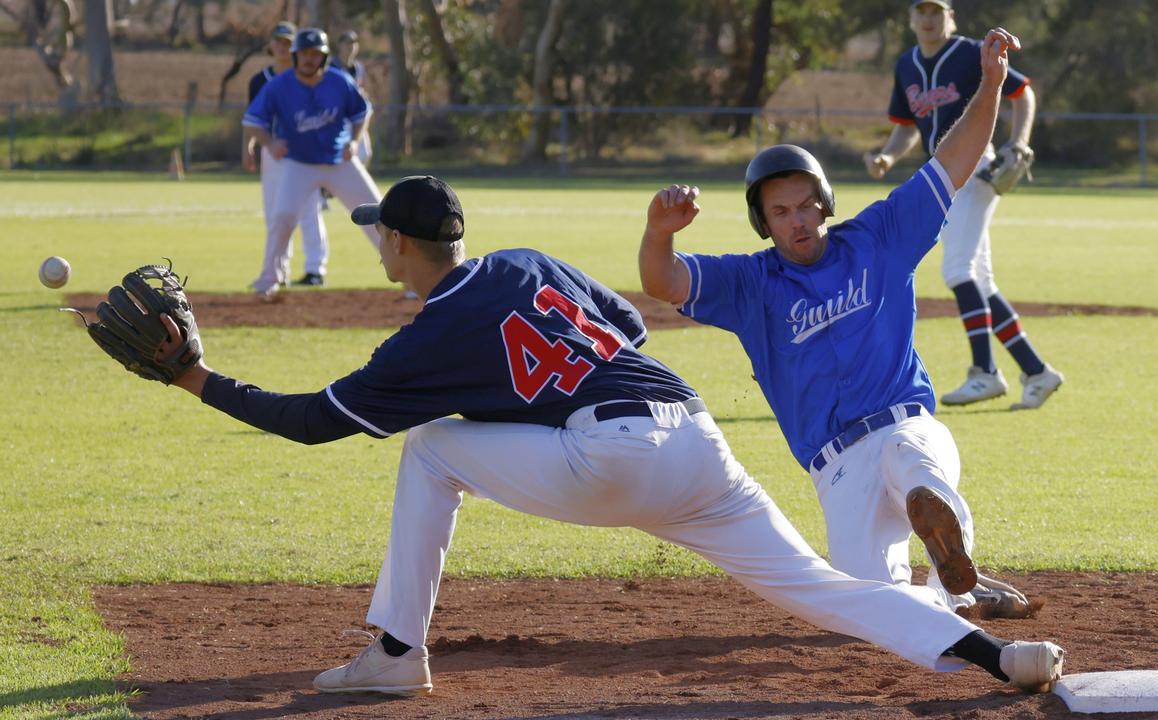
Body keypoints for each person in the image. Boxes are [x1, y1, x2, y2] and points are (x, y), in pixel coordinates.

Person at [134, 174, 1063, 697]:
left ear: (401, 249)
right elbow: (629, 319)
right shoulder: (523, 263)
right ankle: (996, 658)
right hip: (694, 437)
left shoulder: (425, 343)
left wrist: (191, 377)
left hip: (606, 457)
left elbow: (308, 424)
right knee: (821, 589)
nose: (381, 246)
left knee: (431, 449)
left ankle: (393, 655)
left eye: (382, 236)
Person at [639, 29, 1042, 622]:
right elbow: (663, 282)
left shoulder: (880, 237)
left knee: (919, 474)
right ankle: (958, 590)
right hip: (837, 466)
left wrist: (990, 86)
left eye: (805, 205)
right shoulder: (750, 284)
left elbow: (952, 162)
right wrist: (659, 232)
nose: (797, 221)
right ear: (764, 223)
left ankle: (947, 547)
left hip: (906, 425)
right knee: (876, 612)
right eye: (780, 212)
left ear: (824, 201)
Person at [863, 0, 1063, 410]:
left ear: (950, 17)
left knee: (957, 270)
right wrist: (887, 156)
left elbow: (1022, 93)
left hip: (974, 167)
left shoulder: (972, 52)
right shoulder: (906, 65)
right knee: (980, 280)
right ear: (912, 19)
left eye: (937, 10)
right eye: (922, 11)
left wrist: (1019, 141)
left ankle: (985, 372)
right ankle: (1037, 371)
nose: (929, 18)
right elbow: (905, 129)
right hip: (942, 174)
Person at [242, 27, 380, 299]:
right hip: (299, 165)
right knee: (282, 218)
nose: (309, 59)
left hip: (339, 161)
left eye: (315, 54)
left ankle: (409, 278)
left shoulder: (339, 81)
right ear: (295, 56)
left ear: (324, 57)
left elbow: (362, 113)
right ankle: (268, 279)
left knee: (379, 215)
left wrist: (354, 141)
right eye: (304, 53)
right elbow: (252, 121)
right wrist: (269, 143)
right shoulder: (279, 86)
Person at [247, 21, 329, 288]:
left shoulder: (307, 77)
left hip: (305, 150)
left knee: (309, 211)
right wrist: (248, 147)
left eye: (288, 42)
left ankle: (315, 268)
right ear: (270, 45)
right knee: (275, 213)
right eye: (278, 41)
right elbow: (252, 119)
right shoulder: (260, 80)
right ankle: (277, 271)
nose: (282, 46)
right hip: (273, 151)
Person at [333, 30, 372, 167]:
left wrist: (362, 95)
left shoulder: (358, 67)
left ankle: (350, 185)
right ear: (340, 45)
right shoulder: (332, 66)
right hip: (337, 117)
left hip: (355, 116)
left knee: (364, 153)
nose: (351, 46)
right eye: (347, 42)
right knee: (338, 154)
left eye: (354, 42)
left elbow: (362, 88)